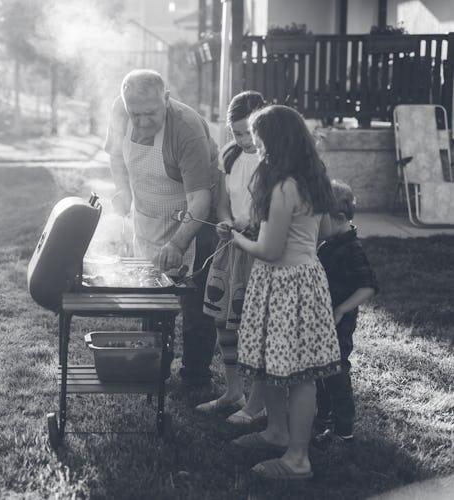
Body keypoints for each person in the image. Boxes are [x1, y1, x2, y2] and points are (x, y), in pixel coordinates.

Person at [227, 105, 342, 480]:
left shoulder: (280, 186)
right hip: (307, 279)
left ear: (274, 141)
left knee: (298, 375)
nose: (256, 148)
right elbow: (324, 230)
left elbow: (270, 250)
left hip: (282, 283)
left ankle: (297, 459)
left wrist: (237, 239)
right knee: (274, 365)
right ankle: (276, 433)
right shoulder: (313, 179)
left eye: (258, 141)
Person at [104, 68, 221, 387]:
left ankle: (195, 375)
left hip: (194, 219)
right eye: (135, 113)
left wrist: (178, 244)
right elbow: (116, 156)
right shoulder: (120, 109)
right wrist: (123, 191)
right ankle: (154, 365)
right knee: (151, 294)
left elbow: (200, 199)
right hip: (148, 216)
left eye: (150, 113)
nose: (141, 122)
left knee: (193, 299)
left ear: (166, 100)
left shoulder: (186, 128)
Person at [195, 91, 266, 423]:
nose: (243, 140)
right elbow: (222, 201)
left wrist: (249, 227)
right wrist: (225, 222)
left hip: (259, 249)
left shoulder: (272, 158)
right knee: (225, 321)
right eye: (236, 133)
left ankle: (259, 401)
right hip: (231, 247)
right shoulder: (230, 154)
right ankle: (233, 390)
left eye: (247, 132)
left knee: (254, 325)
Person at [313, 180, 378, 447]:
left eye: (319, 218)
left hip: (338, 323)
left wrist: (342, 308)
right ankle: (324, 417)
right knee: (320, 372)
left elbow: (369, 285)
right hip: (322, 322)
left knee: (336, 372)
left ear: (338, 218)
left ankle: (343, 428)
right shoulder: (329, 244)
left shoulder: (352, 249)